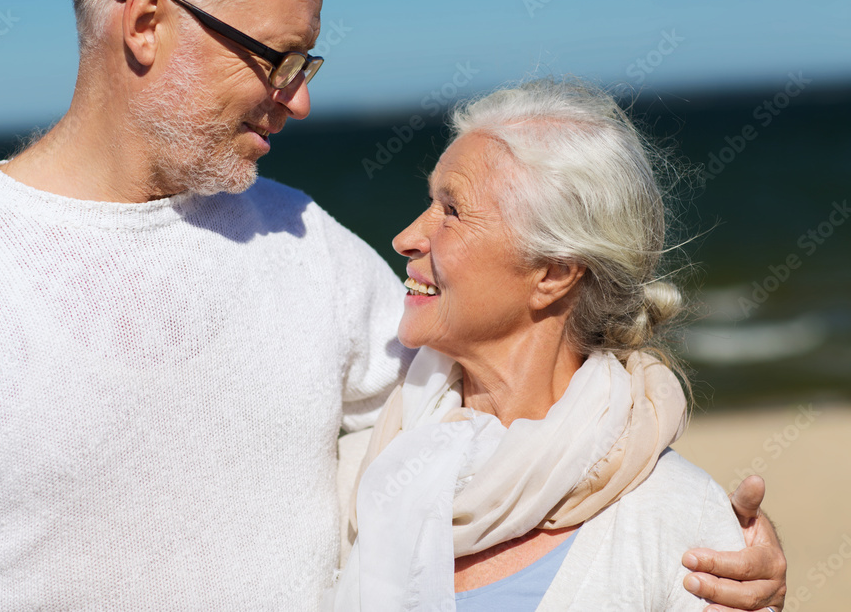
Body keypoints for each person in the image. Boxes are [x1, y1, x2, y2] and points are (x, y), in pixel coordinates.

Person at [0, 0, 783, 610]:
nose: (300, 97)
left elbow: (506, 405)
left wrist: (713, 551)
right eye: (276, 56)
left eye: (308, 60)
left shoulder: (310, 247)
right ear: (145, 24)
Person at [332, 79, 786, 611]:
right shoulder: (354, 476)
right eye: (428, 202)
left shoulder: (679, 519)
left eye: (452, 211)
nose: (407, 236)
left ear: (554, 272)